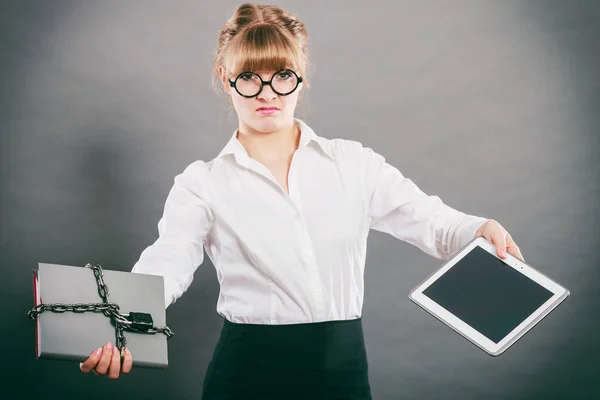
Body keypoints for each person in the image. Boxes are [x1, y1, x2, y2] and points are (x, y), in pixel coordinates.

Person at [79, 3, 525, 399]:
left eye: (282, 76)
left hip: (344, 375)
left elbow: (433, 223)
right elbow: (167, 263)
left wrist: (479, 227)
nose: (267, 92)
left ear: (301, 76)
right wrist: (116, 323)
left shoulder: (353, 164)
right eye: (250, 77)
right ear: (225, 77)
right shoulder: (202, 183)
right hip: (247, 375)